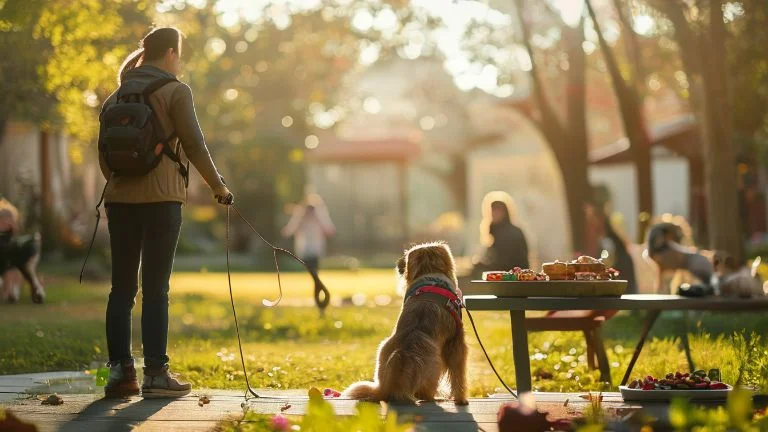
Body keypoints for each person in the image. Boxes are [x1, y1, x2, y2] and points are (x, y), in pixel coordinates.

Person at [98, 27, 234, 399]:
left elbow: (103, 156)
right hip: (162, 201)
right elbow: (194, 143)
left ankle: (119, 374)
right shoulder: (175, 90)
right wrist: (218, 187)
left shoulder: (116, 95)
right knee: (156, 289)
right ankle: (156, 375)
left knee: (121, 289)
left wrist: (122, 185)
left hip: (119, 200)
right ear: (172, 53)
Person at [472, 191, 529, 277]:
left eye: (498, 210)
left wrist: (480, 264)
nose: (494, 213)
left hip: (513, 280)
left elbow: (504, 264)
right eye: (493, 210)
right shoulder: (496, 232)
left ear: (505, 212)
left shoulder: (511, 233)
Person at [0, 196, 45, 304]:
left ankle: (16, 292)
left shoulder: (12, 235)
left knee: (24, 270)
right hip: (10, 256)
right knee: (18, 270)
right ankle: (13, 292)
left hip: (21, 254)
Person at [281, 193, 335, 274]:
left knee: (314, 263)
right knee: (308, 263)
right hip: (305, 244)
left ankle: (316, 279)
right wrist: (288, 231)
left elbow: (327, 226)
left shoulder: (319, 213)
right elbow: (293, 225)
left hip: (316, 244)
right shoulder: (301, 213)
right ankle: (315, 278)